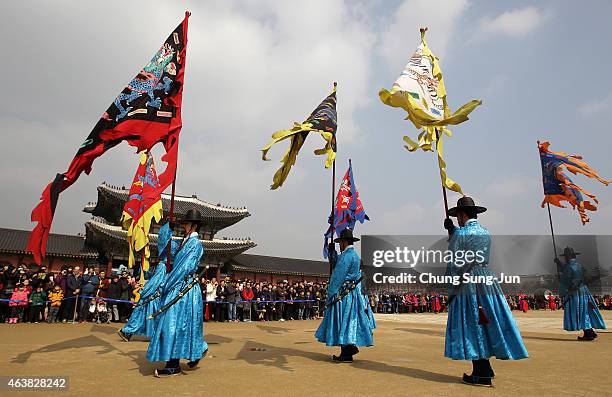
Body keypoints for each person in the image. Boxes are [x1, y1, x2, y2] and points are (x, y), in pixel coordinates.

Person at [443, 196, 528, 387]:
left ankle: (481, 372)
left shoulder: (461, 233)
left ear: (463, 215)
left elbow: (456, 260)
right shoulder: (485, 232)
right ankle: (487, 367)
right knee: (488, 321)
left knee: (473, 323)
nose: (457, 219)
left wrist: (451, 283)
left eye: (458, 216)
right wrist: (453, 231)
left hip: (469, 282)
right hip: (487, 279)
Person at [147, 209, 208, 377]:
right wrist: (168, 228)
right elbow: (165, 249)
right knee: (179, 324)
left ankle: (173, 365)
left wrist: (167, 283)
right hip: (178, 285)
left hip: (184, 289)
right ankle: (198, 348)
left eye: (186, 224)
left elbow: (184, 268)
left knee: (173, 324)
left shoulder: (195, 244)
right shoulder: (183, 243)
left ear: (194, 226)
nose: (184, 227)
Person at [315, 229, 376, 362]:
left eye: (340, 243)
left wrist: (331, 292)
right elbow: (339, 265)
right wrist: (332, 253)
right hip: (351, 293)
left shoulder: (347, 256)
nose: (339, 245)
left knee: (343, 321)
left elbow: (338, 275)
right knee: (348, 322)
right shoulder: (353, 255)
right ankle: (348, 349)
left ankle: (347, 351)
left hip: (343, 295)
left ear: (344, 242)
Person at [555, 247, 607, 340]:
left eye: (565, 257)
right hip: (583, 290)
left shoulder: (568, 266)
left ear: (567, 257)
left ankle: (588, 334)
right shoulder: (579, 265)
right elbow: (573, 272)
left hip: (575, 292)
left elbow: (565, 279)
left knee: (579, 312)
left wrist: (562, 292)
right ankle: (590, 331)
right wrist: (559, 264)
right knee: (585, 311)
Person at [118, 261, 167, 341]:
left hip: (153, 296)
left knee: (143, 316)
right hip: (151, 297)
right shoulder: (158, 267)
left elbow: (155, 282)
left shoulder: (162, 266)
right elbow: (148, 276)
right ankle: (127, 332)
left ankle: (127, 332)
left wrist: (145, 291)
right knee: (142, 316)